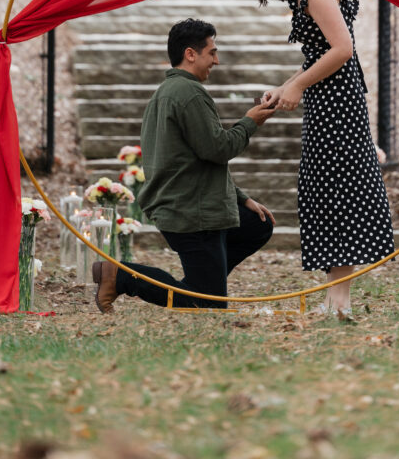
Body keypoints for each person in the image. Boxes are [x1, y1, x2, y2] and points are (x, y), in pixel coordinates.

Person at [240, 0, 394, 315]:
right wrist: (286, 87)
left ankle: (339, 302)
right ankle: (335, 299)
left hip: (338, 104)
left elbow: (342, 49)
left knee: (333, 192)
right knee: (324, 192)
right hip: (327, 101)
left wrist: (300, 87)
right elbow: (318, 56)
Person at [92, 18, 277, 312]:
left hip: (191, 204)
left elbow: (193, 159)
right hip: (192, 212)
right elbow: (218, 149)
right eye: (212, 52)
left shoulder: (166, 92)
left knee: (257, 225)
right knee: (206, 303)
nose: (216, 60)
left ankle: (203, 280)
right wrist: (250, 121)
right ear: (190, 54)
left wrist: (241, 198)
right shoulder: (190, 94)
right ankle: (120, 275)